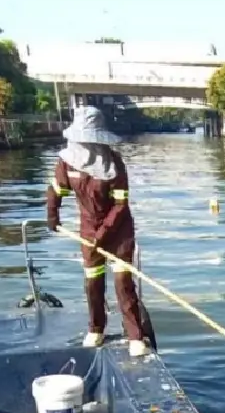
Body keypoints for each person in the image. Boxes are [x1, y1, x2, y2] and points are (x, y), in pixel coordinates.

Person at [47, 105, 150, 357]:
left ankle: (135, 335)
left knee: (123, 284)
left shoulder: (114, 165)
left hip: (119, 232)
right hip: (87, 230)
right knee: (93, 282)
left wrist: (102, 234)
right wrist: (53, 214)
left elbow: (120, 205)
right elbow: (56, 190)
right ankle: (96, 329)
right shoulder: (66, 162)